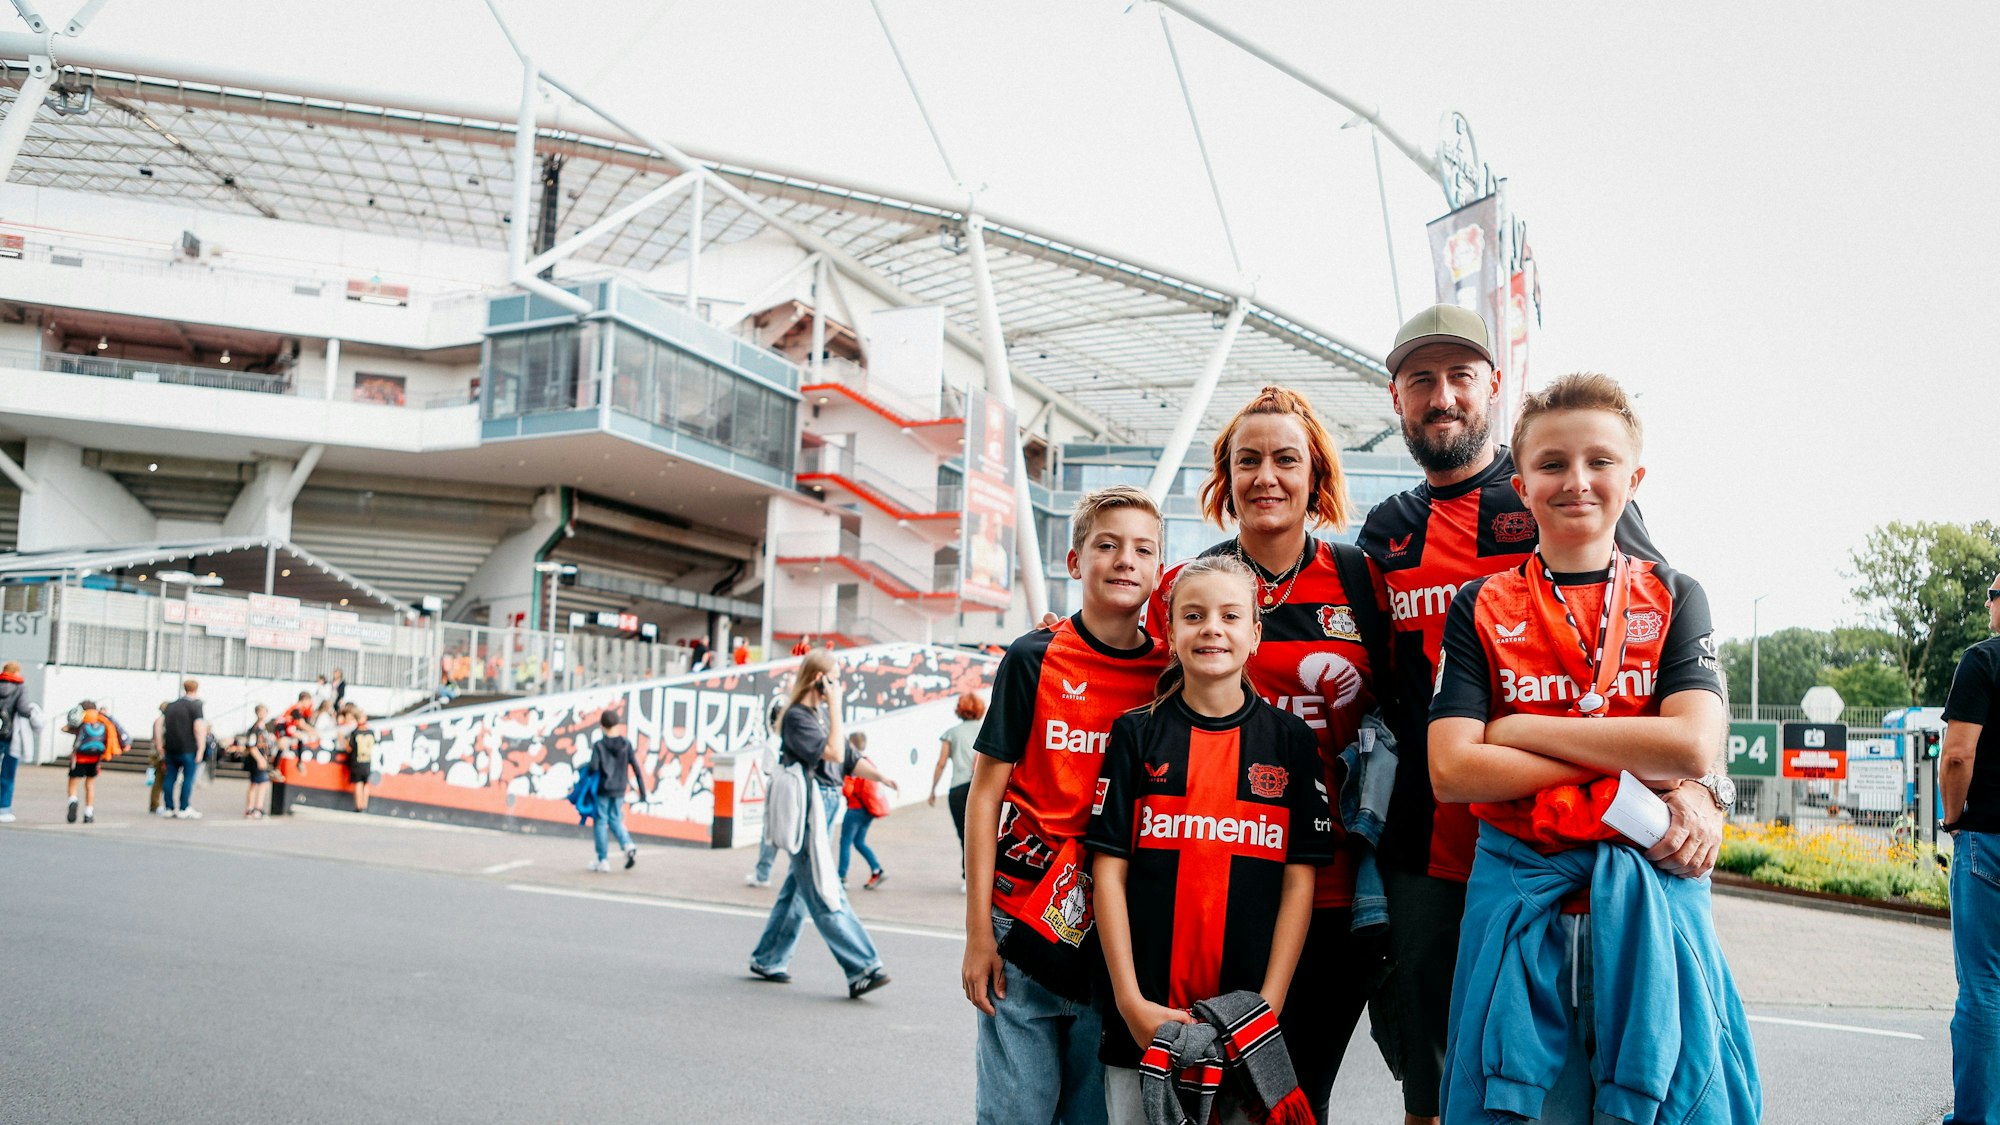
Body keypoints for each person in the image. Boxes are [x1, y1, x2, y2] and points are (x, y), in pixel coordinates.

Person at [1357, 305, 1726, 1125]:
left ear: (1494, 385)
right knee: (1447, 1084)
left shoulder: (1576, 486)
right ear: (1398, 398)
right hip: (1446, 842)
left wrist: (1702, 786)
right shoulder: (1385, 532)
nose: (1442, 396)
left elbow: (1679, 692)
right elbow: (1394, 705)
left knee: (1627, 1078)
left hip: (1589, 847)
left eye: (1461, 376)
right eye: (1422, 380)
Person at [1428, 373, 1758, 1123]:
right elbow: (1452, 768)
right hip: (1517, 897)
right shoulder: (1479, 604)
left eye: (1599, 461)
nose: (1576, 480)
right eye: (1551, 464)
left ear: (1633, 477)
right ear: (1521, 484)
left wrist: (1519, 730)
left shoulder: (1676, 594)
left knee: (1671, 1099)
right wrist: (1630, 746)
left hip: (1652, 894)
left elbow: (1691, 745)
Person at [1141, 385, 1385, 1121]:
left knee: (1293, 1092)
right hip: (1213, 885)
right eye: (1247, 460)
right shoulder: (1186, 587)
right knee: (1209, 1098)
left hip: (1333, 894)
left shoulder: (1357, 580)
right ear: (1225, 477)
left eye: (1286, 459)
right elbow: (1144, 713)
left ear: (1316, 477)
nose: (1266, 476)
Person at [1089, 555, 1333, 1124]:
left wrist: (1268, 1006)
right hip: (1145, 1018)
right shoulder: (1136, 733)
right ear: (1170, 633)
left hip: (1248, 1024)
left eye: (1230, 615)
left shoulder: (1290, 741)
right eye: (1194, 616)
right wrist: (1129, 1002)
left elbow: (1301, 882)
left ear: (1255, 634)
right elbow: (1108, 872)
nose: (1212, 628)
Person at [963, 484, 1170, 1125]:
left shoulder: (1169, 674)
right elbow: (984, 794)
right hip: (1020, 915)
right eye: (1106, 545)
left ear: (1160, 571)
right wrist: (975, 934)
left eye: (1143, 550)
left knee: (1090, 1113)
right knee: (1018, 1110)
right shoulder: (1034, 656)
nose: (1124, 560)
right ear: (1076, 559)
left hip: (1112, 926)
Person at [748, 648, 891, 999]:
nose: (839, 686)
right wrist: (836, 705)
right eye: (835, 679)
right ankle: (862, 966)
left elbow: (849, 759)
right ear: (819, 679)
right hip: (810, 808)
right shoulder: (797, 716)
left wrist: (882, 778)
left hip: (824, 806)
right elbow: (833, 754)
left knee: (800, 886)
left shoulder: (817, 715)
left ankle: (768, 958)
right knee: (826, 889)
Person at [1941, 573, 2000, 1125]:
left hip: (1989, 841)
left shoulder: (1983, 661)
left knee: (1983, 987)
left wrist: (1953, 819)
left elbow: (1958, 755)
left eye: (1993, 596)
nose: (1987, 607)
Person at [930, 691, 986, 888]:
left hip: (958, 789)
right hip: (981, 789)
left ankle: (967, 877)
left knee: (964, 835)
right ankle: (983, 878)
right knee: (983, 834)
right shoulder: (986, 729)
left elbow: (941, 763)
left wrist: (933, 789)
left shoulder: (951, 733)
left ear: (959, 710)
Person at [836, 731, 900, 889]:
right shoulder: (869, 762)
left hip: (855, 809)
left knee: (845, 842)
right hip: (868, 810)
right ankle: (877, 869)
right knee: (859, 842)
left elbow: (848, 790)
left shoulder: (854, 765)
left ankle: (841, 877)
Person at [586, 710, 646, 872]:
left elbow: (593, 768)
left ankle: (603, 860)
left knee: (600, 821)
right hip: (620, 789)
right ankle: (627, 844)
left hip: (603, 789)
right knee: (615, 819)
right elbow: (636, 768)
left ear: (602, 726)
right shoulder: (626, 744)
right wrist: (643, 791)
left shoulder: (599, 745)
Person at [746, 699, 787, 888]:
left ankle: (763, 874)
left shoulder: (774, 741)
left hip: (778, 788)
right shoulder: (796, 737)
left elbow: (767, 768)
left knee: (769, 834)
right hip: (796, 789)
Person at [64, 699, 123, 824]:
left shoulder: (82, 720)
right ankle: (88, 813)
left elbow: (65, 728)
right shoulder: (101, 720)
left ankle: (73, 800)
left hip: (79, 757)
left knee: (73, 783)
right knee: (90, 785)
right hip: (95, 758)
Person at [160, 679, 208, 819]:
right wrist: (201, 748)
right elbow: (198, 727)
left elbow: (161, 726)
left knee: (170, 778)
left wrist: (160, 745)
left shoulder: (171, 706)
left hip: (171, 747)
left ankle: (168, 807)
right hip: (188, 748)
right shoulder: (196, 706)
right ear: (196, 689)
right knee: (188, 778)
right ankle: (184, 807)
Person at [0, 660, 38, 823]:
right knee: (8, 773)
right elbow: (23, 709)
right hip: (10, 735)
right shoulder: (20, 687)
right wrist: (33, 712)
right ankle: (4, 808)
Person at [242, 704, 276, 818]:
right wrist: (260, 759)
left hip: (262, 758)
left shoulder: (263, 728)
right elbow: (251, 746)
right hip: (256, 760)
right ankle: (255, 808)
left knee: (257, 783)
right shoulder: (255, 729)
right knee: (260, 783)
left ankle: (252, 808)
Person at [341, 703, 376, 813]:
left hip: (356, 761)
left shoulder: (355, 732)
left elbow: (349, 748)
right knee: (366, 784)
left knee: (358, 783)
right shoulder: (371, 732)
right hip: (367, 761)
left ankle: (358, 806)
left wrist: (341, 739)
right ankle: (364, 805)